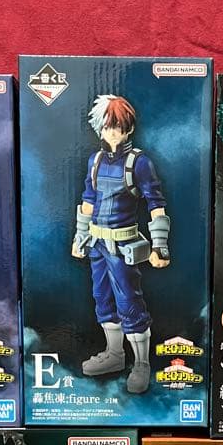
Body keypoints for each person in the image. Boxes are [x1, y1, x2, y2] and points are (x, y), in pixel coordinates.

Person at [71, 95, 170, 394]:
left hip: (123, 245)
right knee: (102, 298)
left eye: (117, 127)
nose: (112, 132)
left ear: (128, 128)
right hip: (97, 243)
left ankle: (141, 363)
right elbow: (88, 200)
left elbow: (156, 203)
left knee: (129, 301)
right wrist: (79, 236)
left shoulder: (139, 163)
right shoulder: (95, 161)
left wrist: (160, 245)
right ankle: (114, 354)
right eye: (107, 127)